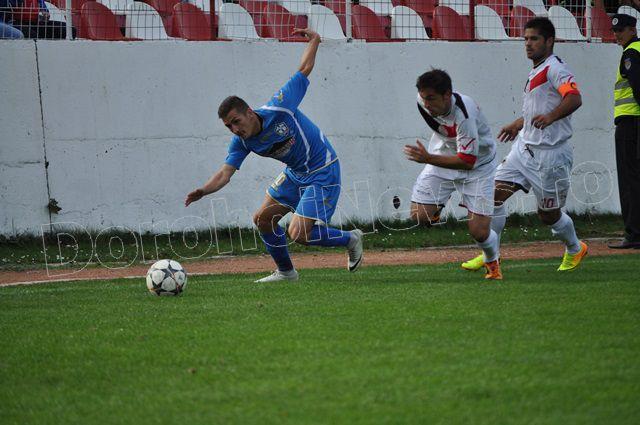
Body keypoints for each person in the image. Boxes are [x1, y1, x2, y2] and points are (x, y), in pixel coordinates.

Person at [185, 28, 364, 282]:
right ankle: (286, 272)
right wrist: (203, 191)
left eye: (236, 121)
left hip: (322, 169)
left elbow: (303, 69)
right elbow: (225, 173)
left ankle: (351, 239)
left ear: (249, 112)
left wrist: (315, 40)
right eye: (228, 126)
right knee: (263, 219)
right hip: (296, 174)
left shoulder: (280, 107)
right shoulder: (242, 141)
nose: (235, 129)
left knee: (299, 233)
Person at [461, 17, 588, 272]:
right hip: (523, 150)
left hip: (550, 156)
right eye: (526, 39)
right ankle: (491, 254)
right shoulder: (536, 70)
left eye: (534, 39)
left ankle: (575, 248)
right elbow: (537, 108)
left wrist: (551, 117)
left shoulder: (556, 69)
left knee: (548, 215)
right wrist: (519, 124)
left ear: (549, 41)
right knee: (491, 196)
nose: (528, 44)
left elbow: (574, 98)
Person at [404, 69, 502, 280]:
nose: (426, 104)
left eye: (431, 98)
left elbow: (467, 161)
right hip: (443, 156)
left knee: (479, 233)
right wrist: (432, 157)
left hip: (478, 167)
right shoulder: (422, 102)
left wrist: (427, 158)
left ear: (447, 95)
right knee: (419, 216)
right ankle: (437, 207)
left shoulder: (465, 115)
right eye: (423, 97)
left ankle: (492, 261)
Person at [608, 13, 640, 249]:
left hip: (631, 123)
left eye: (621, 30)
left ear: (632, 30)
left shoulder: (631, 53)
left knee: (630, 180)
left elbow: (638, 87)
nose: (617, 35)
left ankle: (634, 233)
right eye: (615, 31)